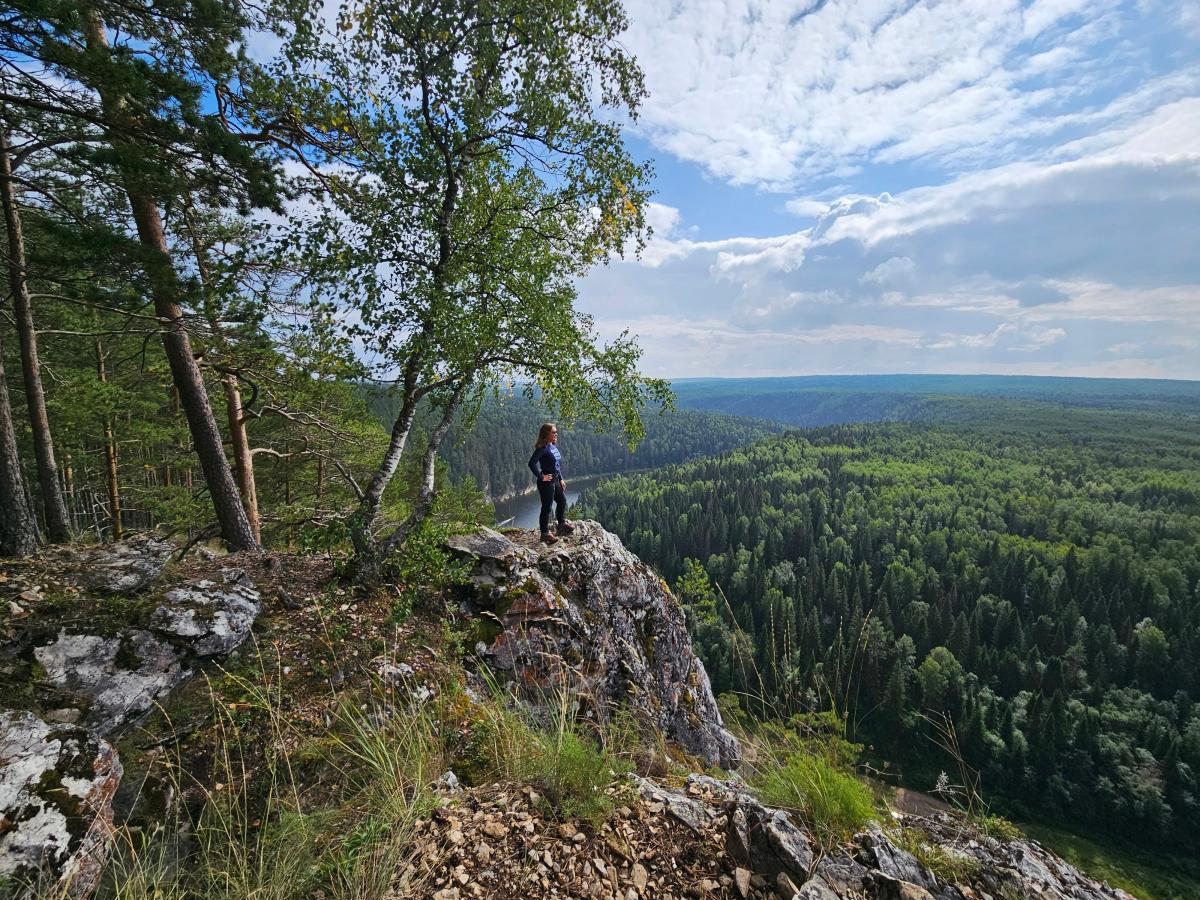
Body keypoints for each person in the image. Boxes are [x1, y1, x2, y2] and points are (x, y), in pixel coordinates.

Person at [527, 422, 575, 544]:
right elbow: (531, 463)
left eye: (556, 432)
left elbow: (557, 466)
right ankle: (544, 533)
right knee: (547, 507)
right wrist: (541, 477)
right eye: (554, 432)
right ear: (547, 434)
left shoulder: (553, 446)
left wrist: (561, 479)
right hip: (546, 483)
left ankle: (561, 525)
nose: (556, 434)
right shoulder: (542, 448)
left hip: (555, 480)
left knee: (562, 501)